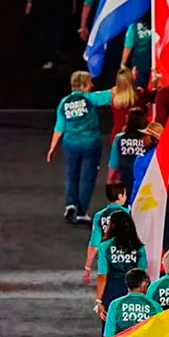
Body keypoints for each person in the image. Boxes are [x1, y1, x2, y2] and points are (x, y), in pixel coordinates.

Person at [49, 70, 113, 223]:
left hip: (71, 145)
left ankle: (70, 204)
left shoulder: (64, 102)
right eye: (90, 82)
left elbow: (59, 127)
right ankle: (82, 212)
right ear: (84, 85)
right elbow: (113, 93)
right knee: (87, 178)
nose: (92, 85)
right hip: (91, 144)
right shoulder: (91, 98)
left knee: (71, 175)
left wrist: (52, 148)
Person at [94, 210, 147, 323]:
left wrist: (99, 301)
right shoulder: (139, 248)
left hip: (111, 290)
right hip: (134, 289)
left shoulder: (105, 247)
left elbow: (102, 276)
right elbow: (142, 274)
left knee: (111, 326)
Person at [84, 182, 128, 284]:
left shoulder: (99, 216)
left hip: (106, 259)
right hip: (124, 260)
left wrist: (87, 268)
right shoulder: (128, 214)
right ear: (120, 196)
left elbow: (94, 244)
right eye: (125, 194)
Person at [103, 267, 161, 337]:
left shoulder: (115, 304)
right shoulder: (155, 306)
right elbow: (160, 333)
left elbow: (108, 335)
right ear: (144, 284)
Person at [107, 105, 148, 197]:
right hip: (144, 180)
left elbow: (113, 163)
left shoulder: (120, 138)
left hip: (125, 179)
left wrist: (109, 181)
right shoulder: (147, 139)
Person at [107, 66, 153, 142]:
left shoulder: (113, 96)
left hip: (118, 138)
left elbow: (122, 86)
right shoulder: (140, 95)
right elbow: (155, 95)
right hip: (136, 138)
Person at [121, 14, 152, 88]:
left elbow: (128, 47)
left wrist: (122, 64)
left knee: (138, 88)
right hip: (152, 63)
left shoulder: (133, 28)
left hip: (139, 64)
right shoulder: (157, 24)